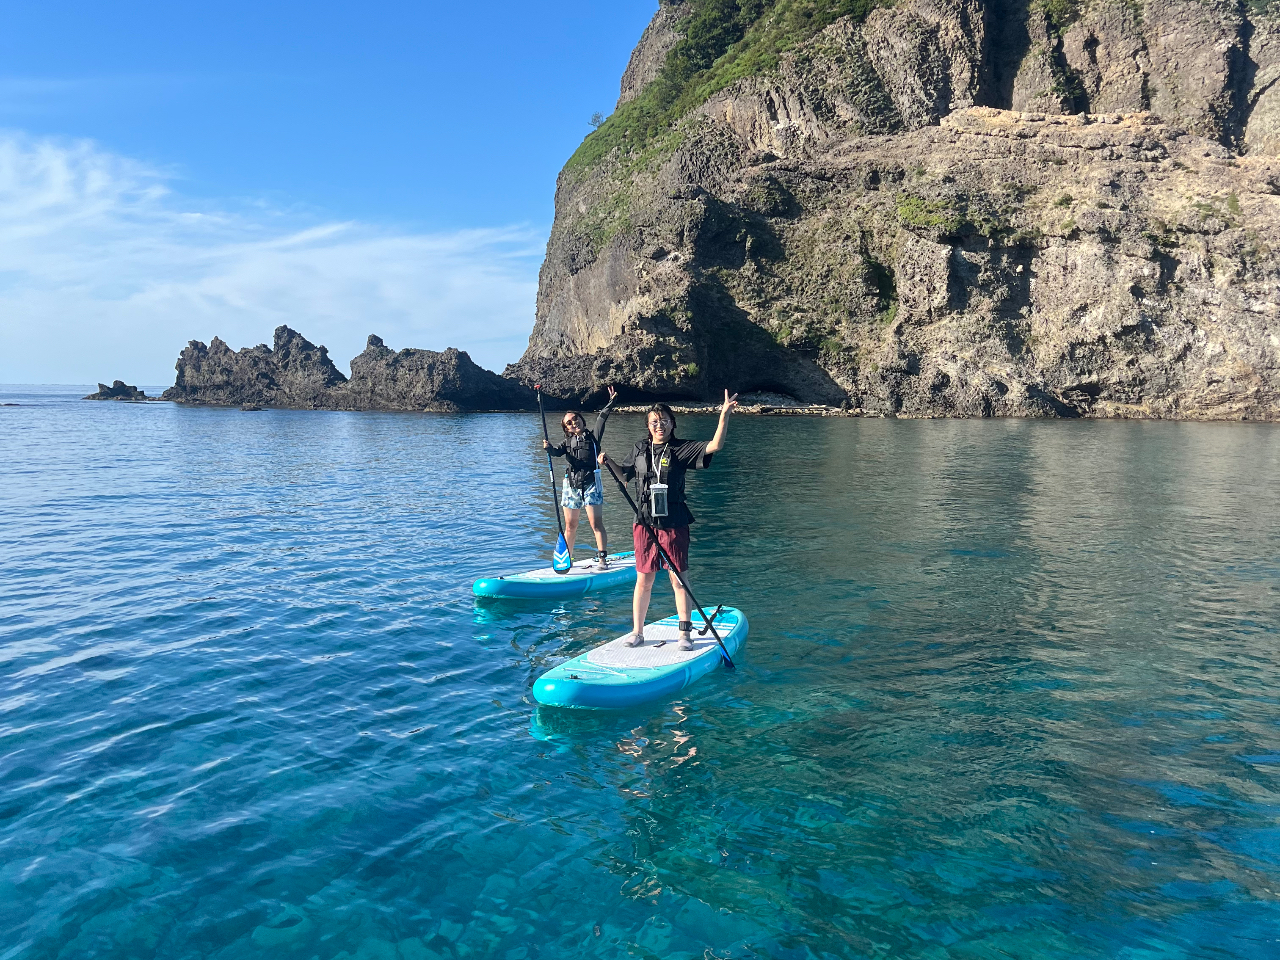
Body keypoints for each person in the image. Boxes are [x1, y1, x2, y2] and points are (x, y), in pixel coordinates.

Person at [599, 389, 738, 650]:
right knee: (644, 579)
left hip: (674, 521)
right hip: (644, 522)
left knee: (678, 578)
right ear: (648, 426)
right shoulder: (640, 448)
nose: (659, 425)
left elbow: (715, 445)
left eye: (664, 421)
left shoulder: (680, 448)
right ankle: (637, 632)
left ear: (672, 424)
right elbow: (623, 476)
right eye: (654, 422)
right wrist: (609, 462)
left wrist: (724, 416)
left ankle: (684, 634)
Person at [544, 385, 617, 568]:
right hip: (571, 486)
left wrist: (611, 402)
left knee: (596, 523)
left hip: (591, 483)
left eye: (575, 418)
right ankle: (566, 560)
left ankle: (602, 559)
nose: (574, 422)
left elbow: (602, 418)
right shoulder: (566, 443)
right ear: (566, 429)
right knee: (570, 526)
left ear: (581, 419)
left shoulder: (593, 437)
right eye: (569, 422)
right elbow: (555, 452)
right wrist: (548, 447)